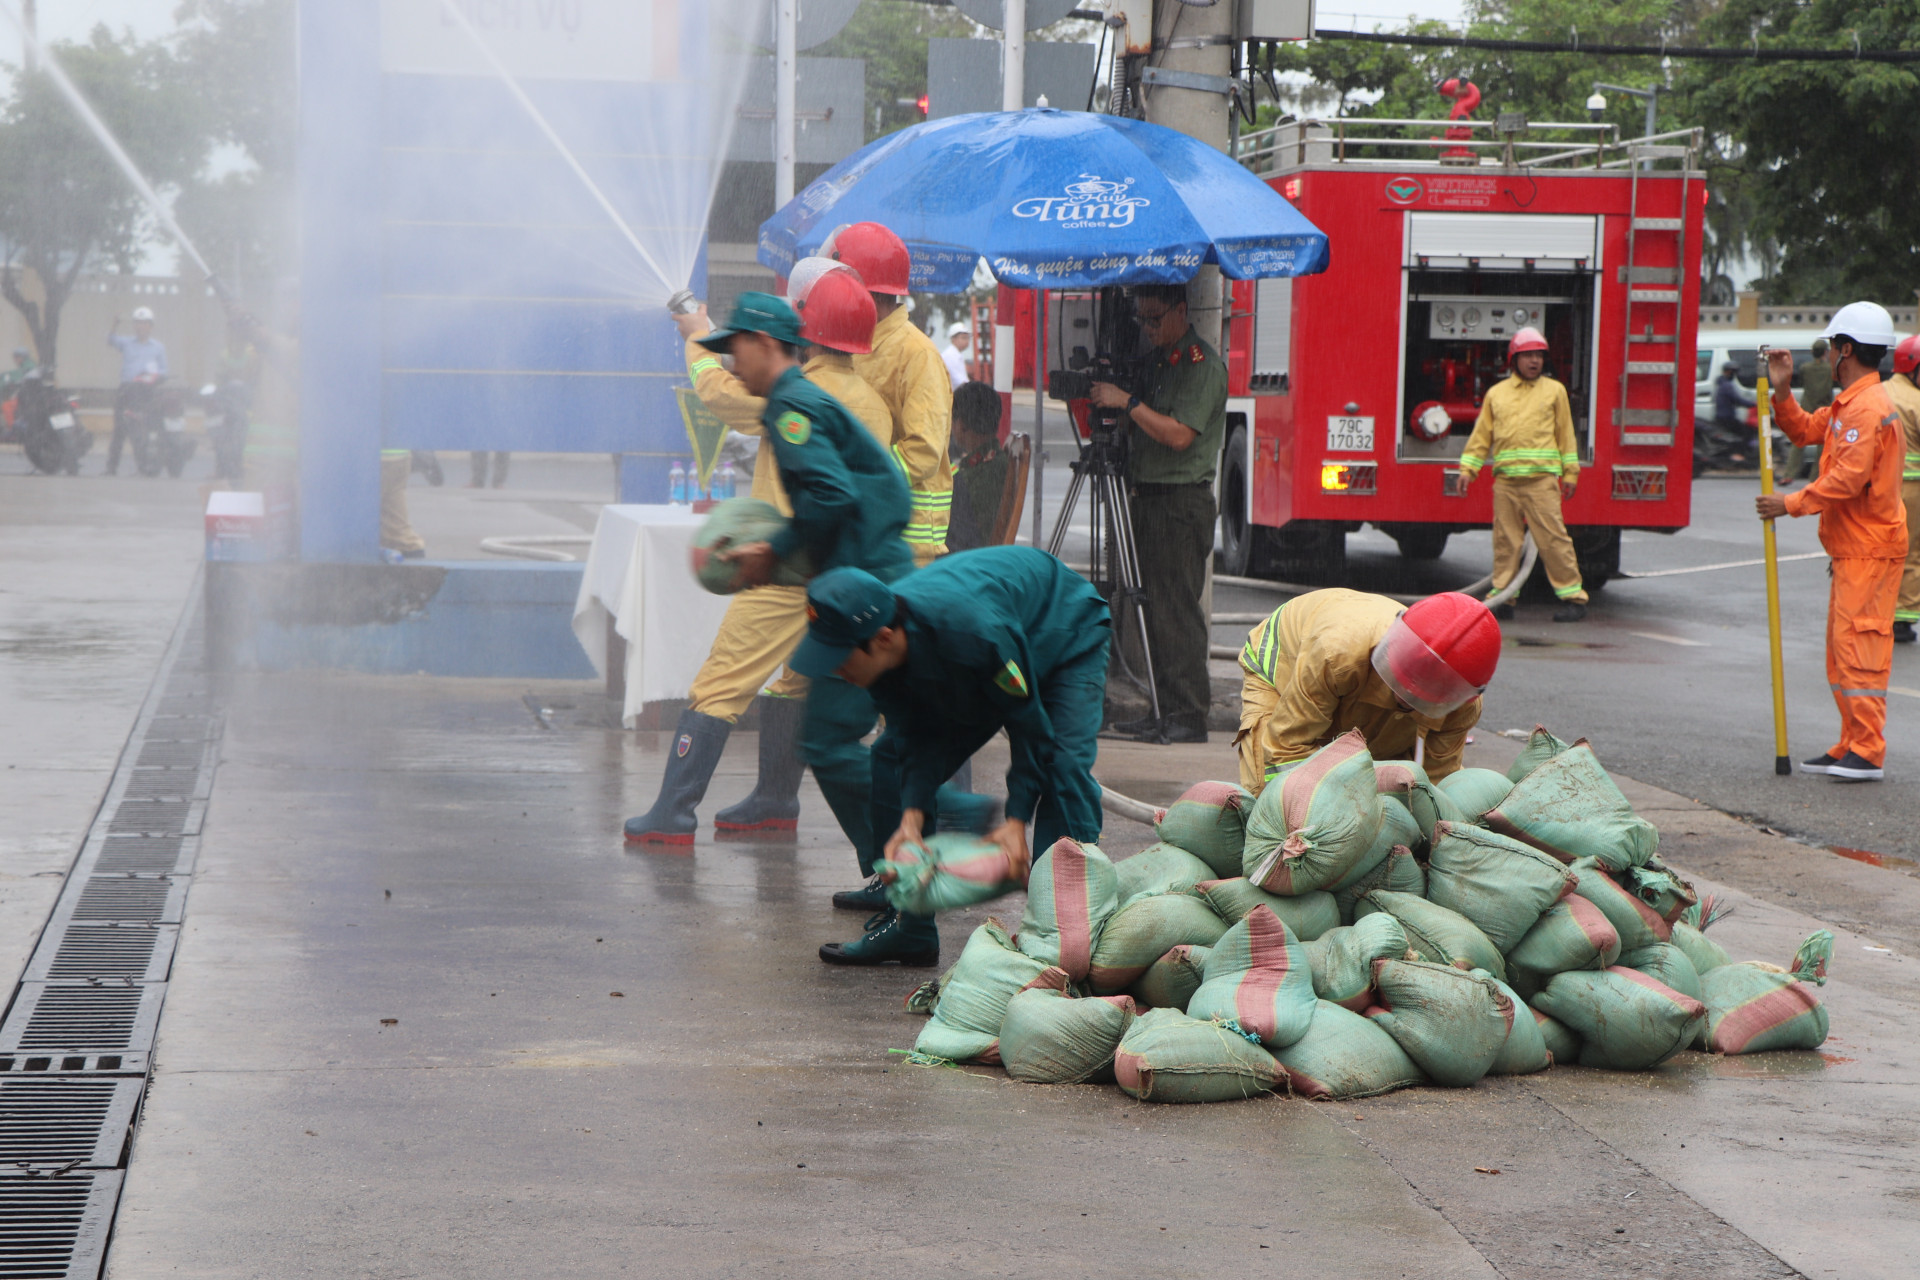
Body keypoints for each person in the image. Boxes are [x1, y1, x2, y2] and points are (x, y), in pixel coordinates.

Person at [623, 265, 894, 845]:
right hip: (841, 572)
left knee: (720, 685)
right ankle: (776, 798)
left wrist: (697, 336)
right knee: (796, 684)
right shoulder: (869, 400)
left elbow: (720, 391)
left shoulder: (795, 394)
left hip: (780, 569)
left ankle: (673, 811)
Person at [794, 547, 1112, 966]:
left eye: (839, 657)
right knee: (889, 757)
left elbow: (1028, 724)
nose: (834, 670)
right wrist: (911, 817)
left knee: (1062, 767)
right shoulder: (884, 648)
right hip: (986, 658)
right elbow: (915, 736)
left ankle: (1062, 938)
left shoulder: (975, 633)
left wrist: (1016, 821)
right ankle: (911, 927)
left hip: (1062, 630)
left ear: (883, 639)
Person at [1756, 302, 1907, 783]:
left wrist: (1791, 502)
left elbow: (1847, 478)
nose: (1826, 360)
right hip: (1855, 548)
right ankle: (1850, 743)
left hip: (1870, 547)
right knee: (1843, 650)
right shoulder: (1850, 404)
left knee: (1861, 649)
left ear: (1846, 350)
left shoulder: (1868, 407)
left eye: (1830, 351)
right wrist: (1782, 389)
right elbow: (1803, 430)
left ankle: (1867, 749)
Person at [1088, 283, 1227, 745]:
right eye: (1141, 320)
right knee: (1150, 612)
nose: (1147, 329)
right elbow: (1136, 420)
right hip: (1148, 498)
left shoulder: (1199, 365)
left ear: (1181, 311)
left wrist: (1126, 402)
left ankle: (1187, 714)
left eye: (1154, 319)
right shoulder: (1156, 365)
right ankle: (1162, 709)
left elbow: (1178, 435)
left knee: (1176, 612)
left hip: (1180, 501)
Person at [1236, 589, 1501, 795]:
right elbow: (1286, 748)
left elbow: (1438, 780)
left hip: (1347, 675)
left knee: (1393, 790)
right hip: (1284, 666)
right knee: (1271, 788)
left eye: (1424, 694)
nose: (1405, 694)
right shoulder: (1336, 653)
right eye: (1406, 678)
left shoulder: (1461, 706)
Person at [824, 222, 953, 564]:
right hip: (867, 537)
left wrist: (853, 479)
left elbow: (922, 452)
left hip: (906, 550)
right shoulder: (858, 346)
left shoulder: (916, 354)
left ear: (862, 288)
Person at [1458, 327, 1587, 622]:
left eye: (1539, 356)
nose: (1534, 361)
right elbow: (1481, 436)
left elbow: (1566, 435)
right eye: (1528, 355)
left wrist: (1571, 473)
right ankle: (1504, 597)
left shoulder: (1555, 391)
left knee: (1553, 539)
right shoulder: (1497, 394)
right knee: (1506, 542)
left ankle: (1573, 597)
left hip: (1541, 480)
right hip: (1506, 482)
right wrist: (1468, 469)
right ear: (1513, 360)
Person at [946, 380, 1011, 552]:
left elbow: (967, 529)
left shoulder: (988, 471)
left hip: (967, 559)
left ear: (961, 425)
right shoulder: (990, 463)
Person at [106, 307, 167, 475]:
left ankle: (143, 466)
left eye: (145, 323)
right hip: (126, 391)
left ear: (151, 326)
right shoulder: (126, 343)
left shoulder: (158, 347)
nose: (141, 327)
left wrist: (151, 376)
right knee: (119, 429)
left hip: (145, 392)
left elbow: (163, 371)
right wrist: (114, 324)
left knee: (143, 429)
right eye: (138, 323)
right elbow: (111, 340)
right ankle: (111, 468)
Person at [1891, 335, 1920, 644]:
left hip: (1878, 489)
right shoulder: (1916, 401)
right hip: (1912, 490)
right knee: (1910, 554)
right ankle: (1903, 621)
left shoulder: (1876, 393)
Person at [1781, 339, 1834, 482]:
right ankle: (1815, 477)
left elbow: (1802, 383)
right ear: (1825, 352)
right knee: (1822, 447)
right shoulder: (1830, 369)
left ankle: (1789, 474)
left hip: (1806, 407)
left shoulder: (1805, 368)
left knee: (1798, 442)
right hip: (1823, 409)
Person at [940, 320, 972, 389]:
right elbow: (959, 381)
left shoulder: (956, 354)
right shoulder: (950, 356)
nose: (967, 341)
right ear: (953, 339)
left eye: (968, 338)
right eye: (963, 338)